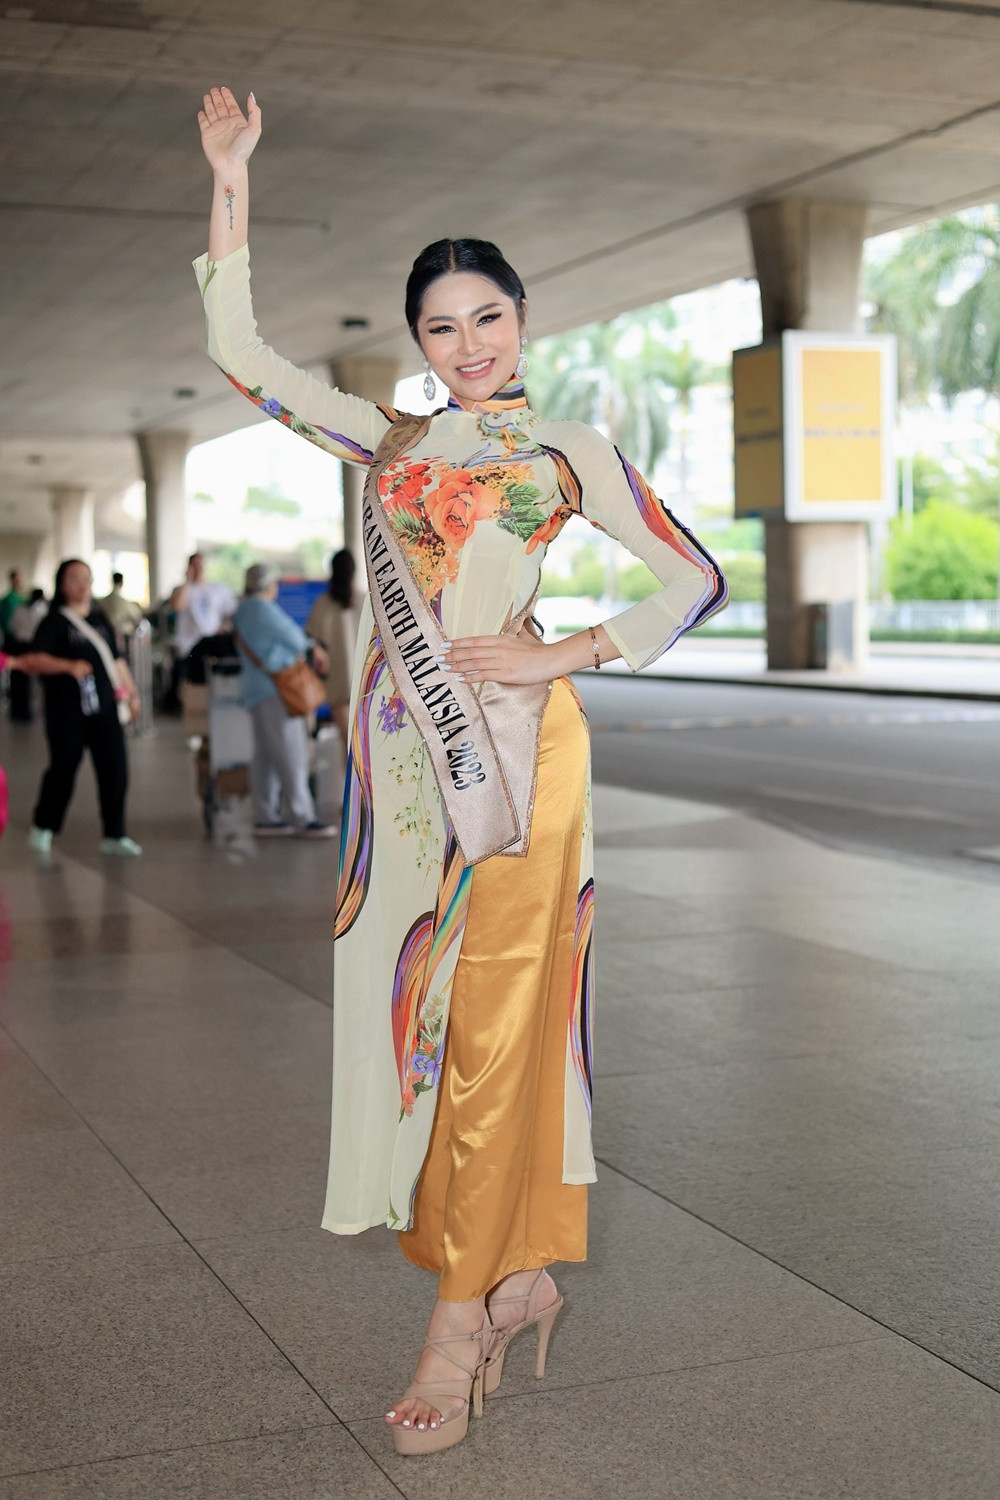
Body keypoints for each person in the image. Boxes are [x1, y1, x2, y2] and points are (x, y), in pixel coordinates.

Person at [197, 86, 727, 1456]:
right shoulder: (387, 440)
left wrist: (566, 654)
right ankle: (512, 1275)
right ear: (419, 343)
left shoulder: (566, 453)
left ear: (523, 320)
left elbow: (694, 575)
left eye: (489, 317)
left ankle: (455, 1323)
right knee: (421, 1031)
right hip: (398, 772)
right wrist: (233, 179)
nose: (470, 344)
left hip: (515, 763)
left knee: (488, 1026)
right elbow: (239, 352)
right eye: (443, 327)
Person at [28, 559, 142, 858]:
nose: (83, 584)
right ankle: (44, 826)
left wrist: (132, 693)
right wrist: (68, 665)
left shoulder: (99, 617)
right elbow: (35, 660)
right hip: (67, 711)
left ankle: (115, 834)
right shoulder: (54, 622)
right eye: (75, 578)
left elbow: (116, 659)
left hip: (105, 707)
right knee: (63, 768)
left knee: (115, 769)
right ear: (62, 584)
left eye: (87, 578)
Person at [232, 562, 335, 838]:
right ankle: (303, 816)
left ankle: (265, 816)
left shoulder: (243, 609)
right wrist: (313, 647)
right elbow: (292, 636)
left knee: (265, 756)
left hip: (256, 690)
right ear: (268, 584)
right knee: (292, 754)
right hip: (276, 691)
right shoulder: (261, 608)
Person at [169, 552, 236, 676]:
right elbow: (177, 606)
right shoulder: (183, 589)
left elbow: (231, 612)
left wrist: (225, 627)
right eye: (195, 565)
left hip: (212, 644)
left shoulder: (218, 589)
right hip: (188, 647)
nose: (198, 568)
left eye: (200, 564)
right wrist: (188, 580)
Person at [7, 587, 47, 721]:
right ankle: (24, 711)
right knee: (26, 681)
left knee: (19, 681)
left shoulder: (20, 609)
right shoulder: (42, 610)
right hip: (29, 646)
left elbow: (12, 626)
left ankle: (18, 710)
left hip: (20, 646)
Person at [99, 572, 144, 642]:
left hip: (106, 637)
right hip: (122, 638)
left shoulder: (103, 601)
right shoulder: (125, 603)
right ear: (122, 582)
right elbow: (136, 617)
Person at [0, 569, 24, 642]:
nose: (18, 582)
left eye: (19, 580)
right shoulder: (7, 599)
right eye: (16, 580)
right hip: (9, 634)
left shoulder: (22, 599)